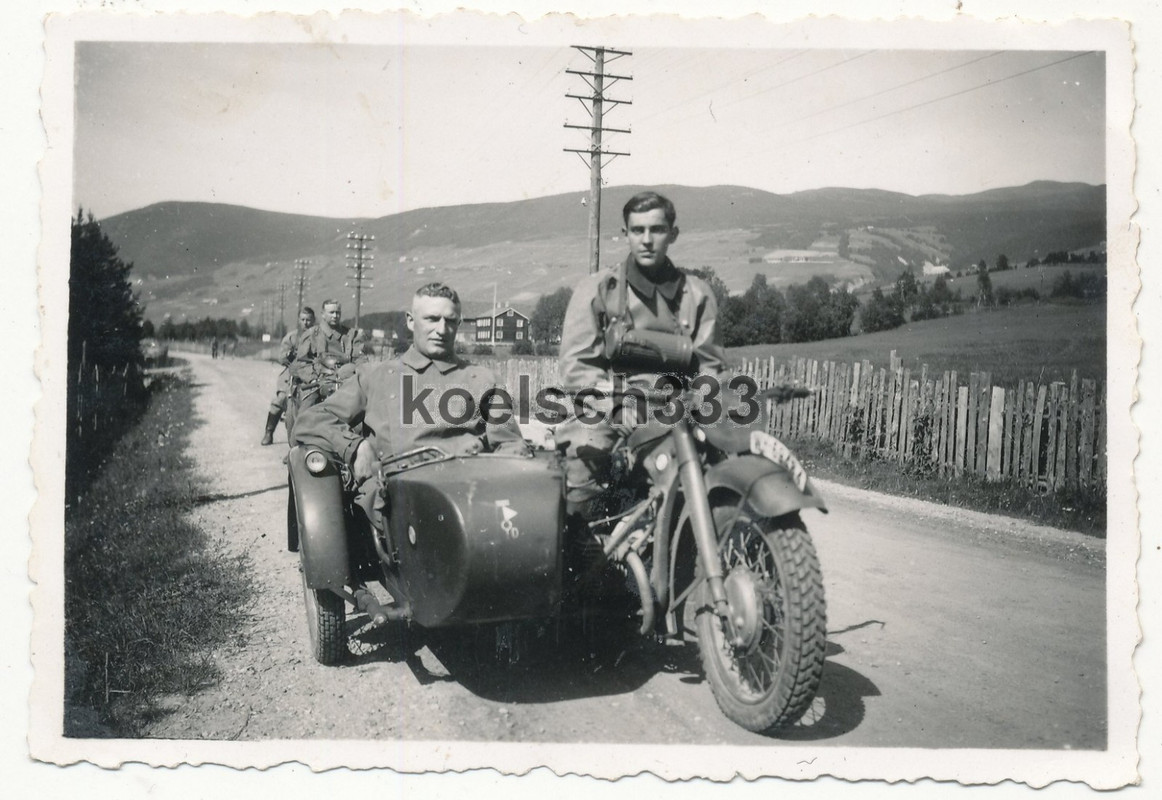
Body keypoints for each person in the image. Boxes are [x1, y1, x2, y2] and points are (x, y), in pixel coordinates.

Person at [293, 282, 529, 531]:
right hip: (397, 505)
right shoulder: (377, 376)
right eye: (432, 319)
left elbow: (510, 445)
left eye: (450, 321)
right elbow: (311, 420)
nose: (441, 329)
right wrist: (354, 446)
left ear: (458, 324)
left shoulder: (484, 380)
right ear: (410, 320)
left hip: (471, 499)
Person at [557, 190, 727, 517]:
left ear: (672, 234)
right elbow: (578, 369)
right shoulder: (597, 289)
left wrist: (701, 402)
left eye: (657, 230)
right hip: (612, 407)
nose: (647, 240)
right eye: (638, 231)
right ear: (626, 235)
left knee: (726, 464)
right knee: (585, 453)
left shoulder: (697, 295)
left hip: (679, 411)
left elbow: (711, 367)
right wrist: (616, 405)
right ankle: (582, 553)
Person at [291, 298, 369, 413]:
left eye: (338, 312)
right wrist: (312, 379)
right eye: (331, 312)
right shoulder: (312, 334)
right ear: (323, 314)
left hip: (346, 381)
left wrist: (359, 374)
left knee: (367, 411)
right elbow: (302, 362)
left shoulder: (352, 335)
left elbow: (360, 359)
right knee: (305, 413)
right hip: (318, 382)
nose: (335, 316)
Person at [260, 306, 315, 446]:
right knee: (281, 399)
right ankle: (269, 432)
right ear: (298, 320)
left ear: (313, 321)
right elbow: (281, 358)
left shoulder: (317, 337)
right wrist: (289, 355)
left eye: (309, 320)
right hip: (291, 373)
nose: (306, 323)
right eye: (303, 320)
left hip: (312, 374)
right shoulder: (292, 337)